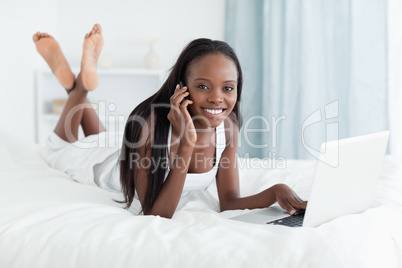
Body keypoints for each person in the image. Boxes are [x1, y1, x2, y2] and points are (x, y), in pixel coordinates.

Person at [34, 24, 307, 219]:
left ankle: (78, 85)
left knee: (101, 136)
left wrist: (276, 191)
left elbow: (229, 202)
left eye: (228, 88)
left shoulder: (228, 127)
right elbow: (156, 213)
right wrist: (186, 144)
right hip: (104, 166)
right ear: (181, 87)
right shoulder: (148, 125)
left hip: (121, 149)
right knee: (56, 148)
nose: (217, 99)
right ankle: (81, 86)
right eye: (203, 86)